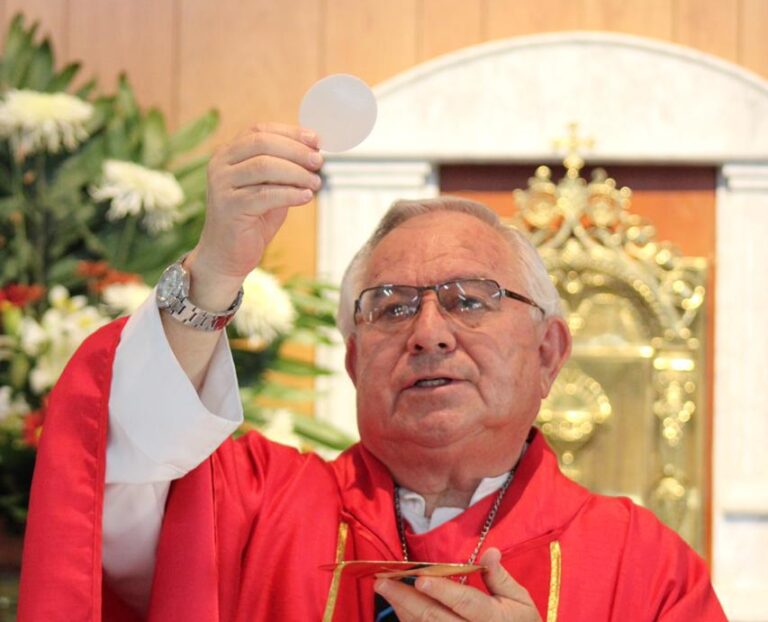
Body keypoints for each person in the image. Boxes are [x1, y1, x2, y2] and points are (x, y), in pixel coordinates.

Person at [19, 124, 727, 621]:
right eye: (388, 308)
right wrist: (214, 272)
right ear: (356, 360)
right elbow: (110, 466)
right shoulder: (252, 509)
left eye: (469, 301)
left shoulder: (645, 567)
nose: (427, 334)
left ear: (547, 355)